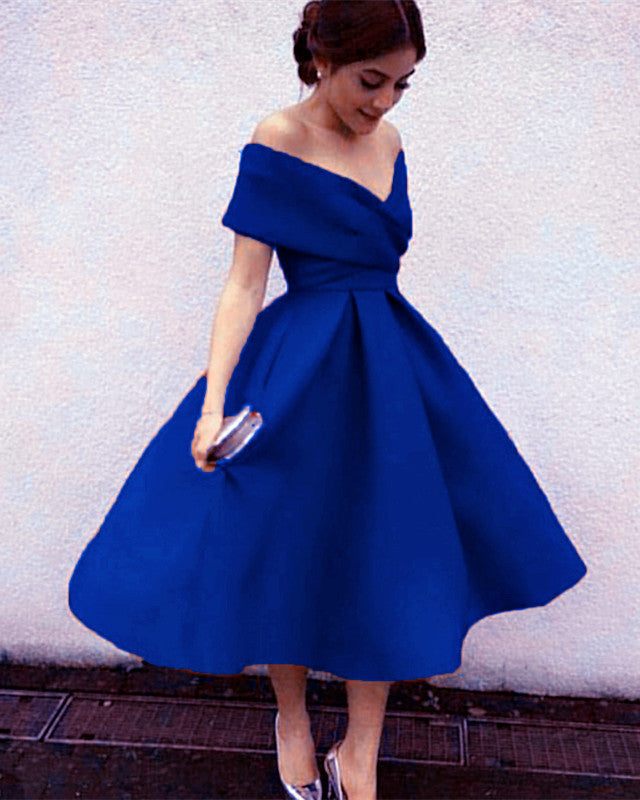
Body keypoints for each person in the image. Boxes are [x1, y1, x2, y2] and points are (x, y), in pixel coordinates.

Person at [68, 2, 588, 799]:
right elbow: (245, 282)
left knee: (387, 549)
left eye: (402, 85)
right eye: (370, 80)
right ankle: (293, 721)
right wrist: (213, 405)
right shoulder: (277, 137)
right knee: (290, 544)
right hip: (300, 373)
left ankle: (362, 751)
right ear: (321, 58)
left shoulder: (392, 141)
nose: (384, 102)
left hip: (390, 370)